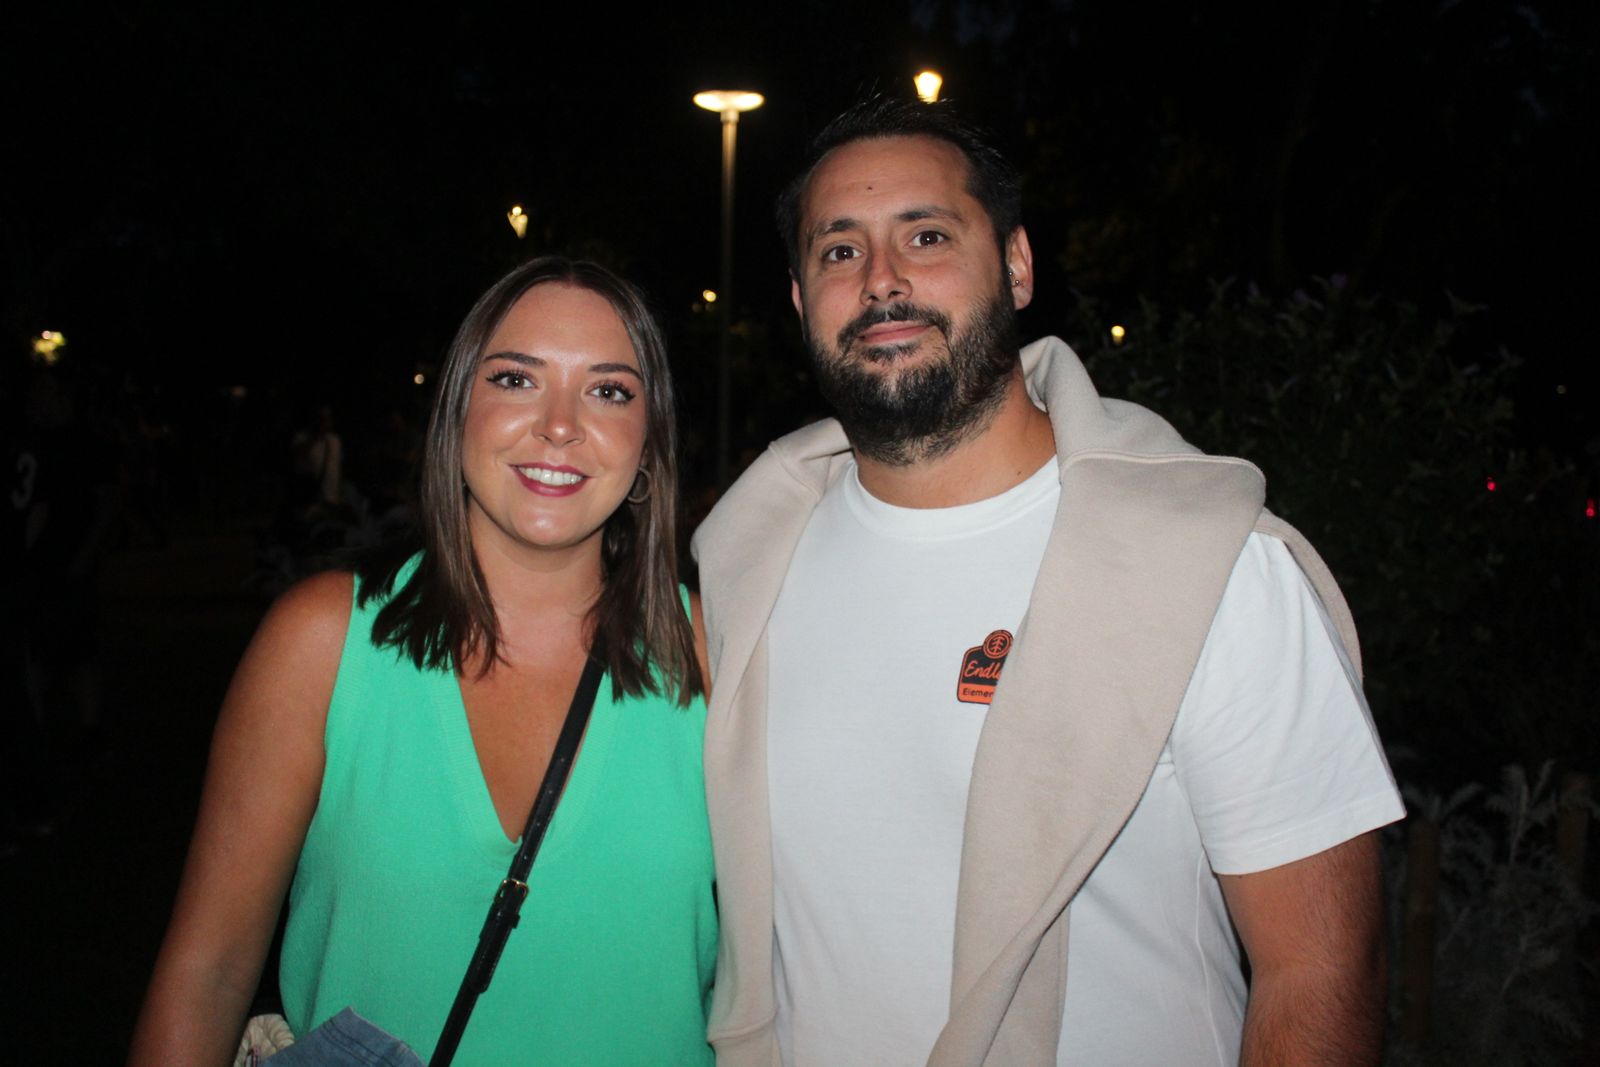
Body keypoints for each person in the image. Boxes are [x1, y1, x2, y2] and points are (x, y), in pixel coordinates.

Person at [691, 96, 1405, 1066]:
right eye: (838, 250)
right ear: (797, 298)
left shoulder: (1211, 569)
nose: (883, 280)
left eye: (927, 235)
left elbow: (1320, 971)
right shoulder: (744, 563)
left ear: (1017, 265)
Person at [130, 256, 717, 1065]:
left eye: (610, 390)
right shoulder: (323, 641)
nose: (559, 424)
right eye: (517, 378)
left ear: (649, 443)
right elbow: (210, 971)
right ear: (455, 412)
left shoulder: (716, 656)